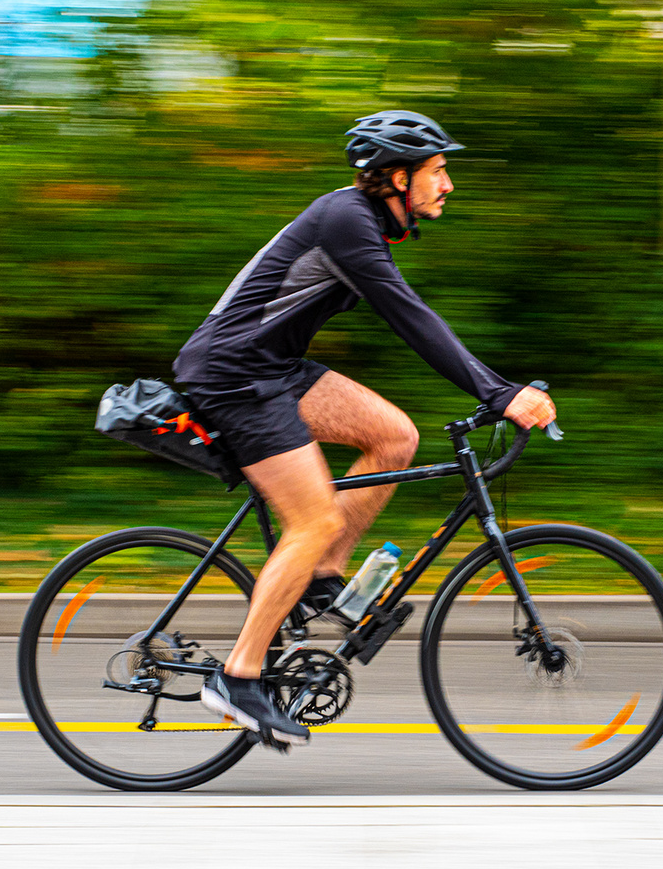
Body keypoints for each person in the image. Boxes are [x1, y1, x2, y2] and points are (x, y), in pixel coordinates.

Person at [173, 109, 556, 748]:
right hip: (233, 374)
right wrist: (499, 392)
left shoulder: (367, 221)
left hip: (274, 367)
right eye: (438, 171)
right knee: (314, 516)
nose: (448, 184)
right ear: (397, 177)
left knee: (394, 437)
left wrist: (496, 387)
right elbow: (411, 317)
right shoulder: (347, 220)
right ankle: (236, 676)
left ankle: (321, 576)